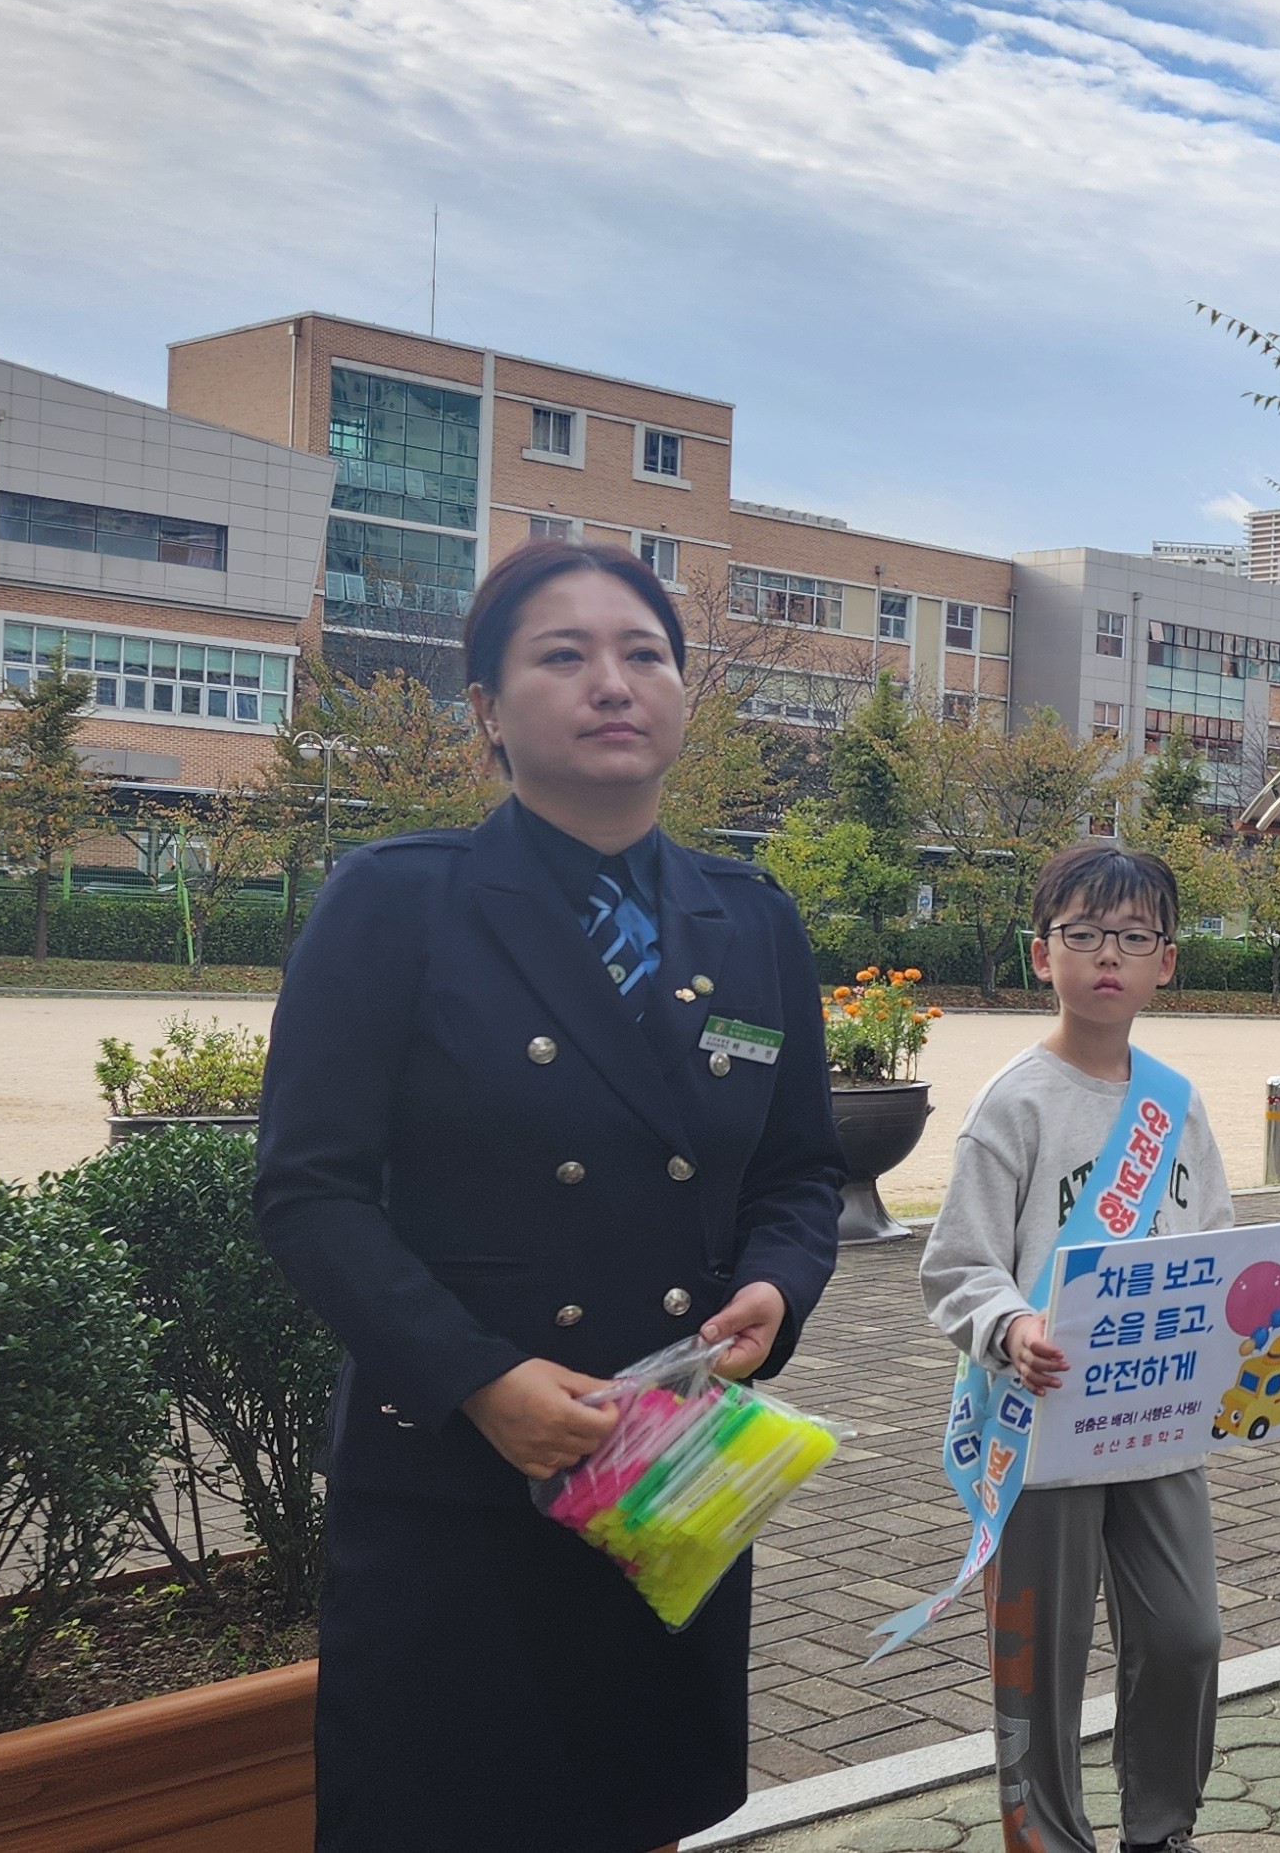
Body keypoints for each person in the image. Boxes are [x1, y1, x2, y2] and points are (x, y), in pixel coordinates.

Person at [252, 537, 842, 1853]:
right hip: (454, 1486)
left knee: (639, 1807)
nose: (611, 682)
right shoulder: (398, 901)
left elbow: (800, 1167)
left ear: (683, 698)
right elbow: (308, 1187)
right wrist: (480, 1377)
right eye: (562, 655)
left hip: (664, 1473)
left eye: (642, 653)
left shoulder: (750, 920)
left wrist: (776, 1284)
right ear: (485, 709)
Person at [920, 844, 1234, 1853]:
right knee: (1040, 1657)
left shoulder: (1179, 1104)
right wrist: (1010, 1325)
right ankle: (1045, 1836)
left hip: (1157, 1422)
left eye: (1133, 937)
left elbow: (1222, 1255)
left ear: (1166, 963)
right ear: (1040, 953)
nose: (1108, 956)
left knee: (1186, 1637)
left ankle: (1161, 1830)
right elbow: (959, 1264)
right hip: (1041, 1423)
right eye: (1083, 934)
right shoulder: (1014, 1103)